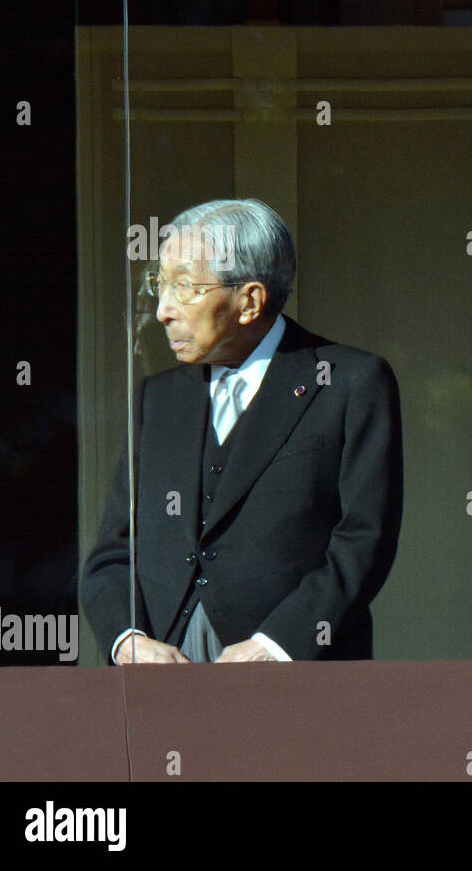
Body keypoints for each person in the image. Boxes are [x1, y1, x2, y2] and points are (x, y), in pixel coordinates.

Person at [82, 199, 403, 663]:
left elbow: (364, 538)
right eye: (159, 285)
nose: (163, 311)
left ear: (249, 300)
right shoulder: (157, 399)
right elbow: (114, 551)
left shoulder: (349, 382)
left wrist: (277, 644)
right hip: (164, 667)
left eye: (184, 287)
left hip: (295, 666)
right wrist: (127, 641)